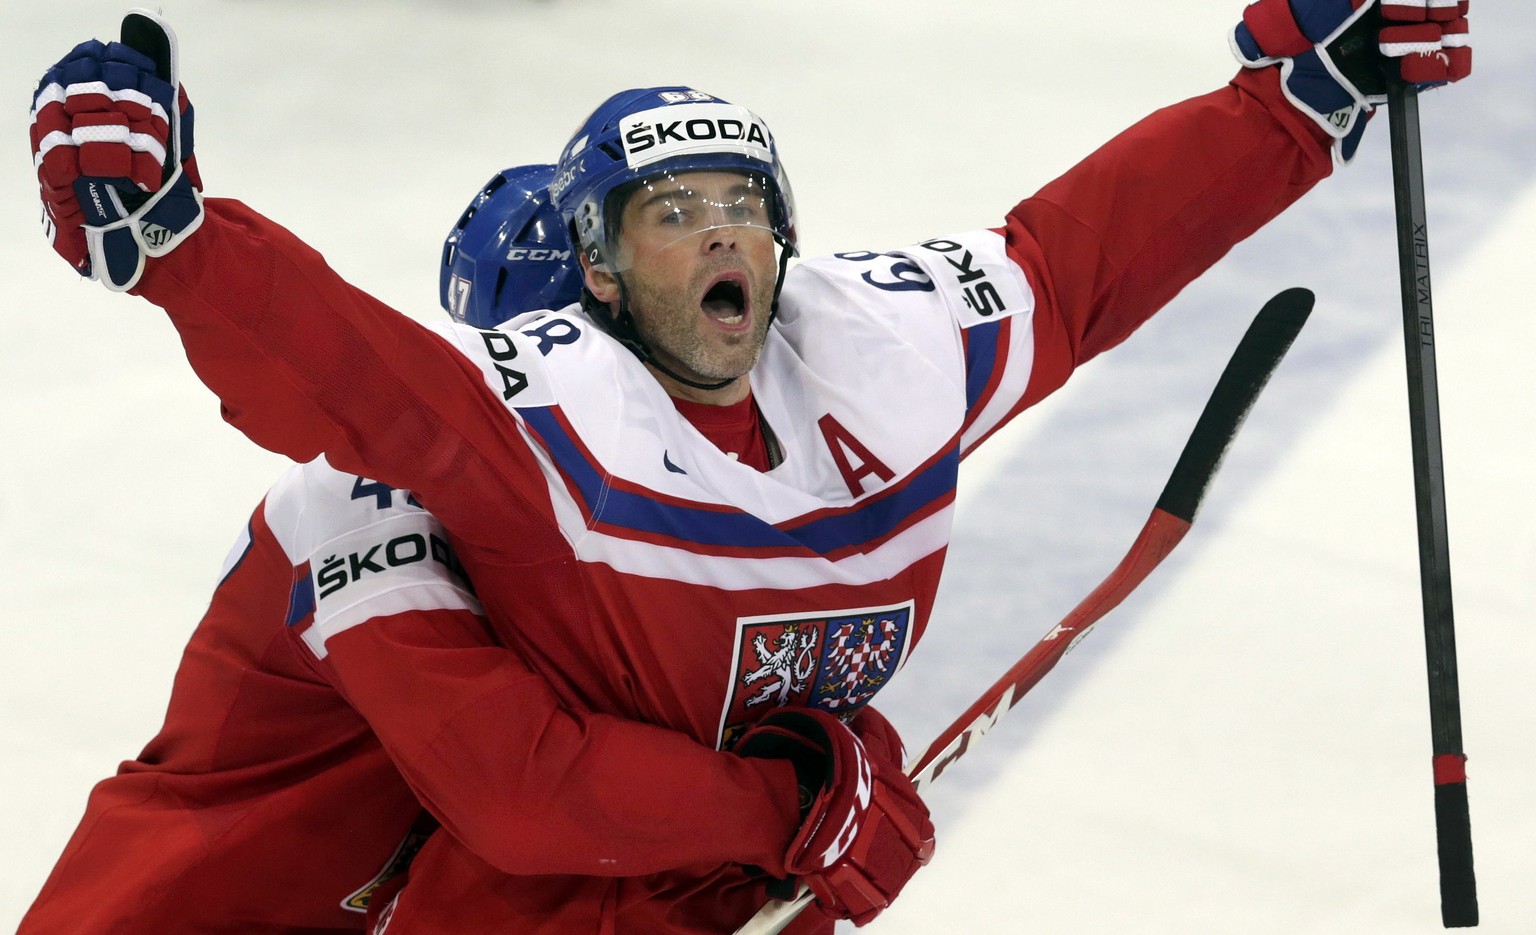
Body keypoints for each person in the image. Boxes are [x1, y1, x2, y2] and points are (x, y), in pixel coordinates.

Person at [26, 2, 1471, 932]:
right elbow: (528, 788)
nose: (721, 233)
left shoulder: (864, 350)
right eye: (673, 213)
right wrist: (177, 242)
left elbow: (1071, 260)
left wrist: (1292, 108)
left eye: (740, 204)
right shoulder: (386, 489)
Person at [17, 163, 909, 935]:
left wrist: (829, 753)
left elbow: (669, 773)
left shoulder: (635, 531)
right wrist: (796, 802)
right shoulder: (364, 505)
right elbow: (526, 793)